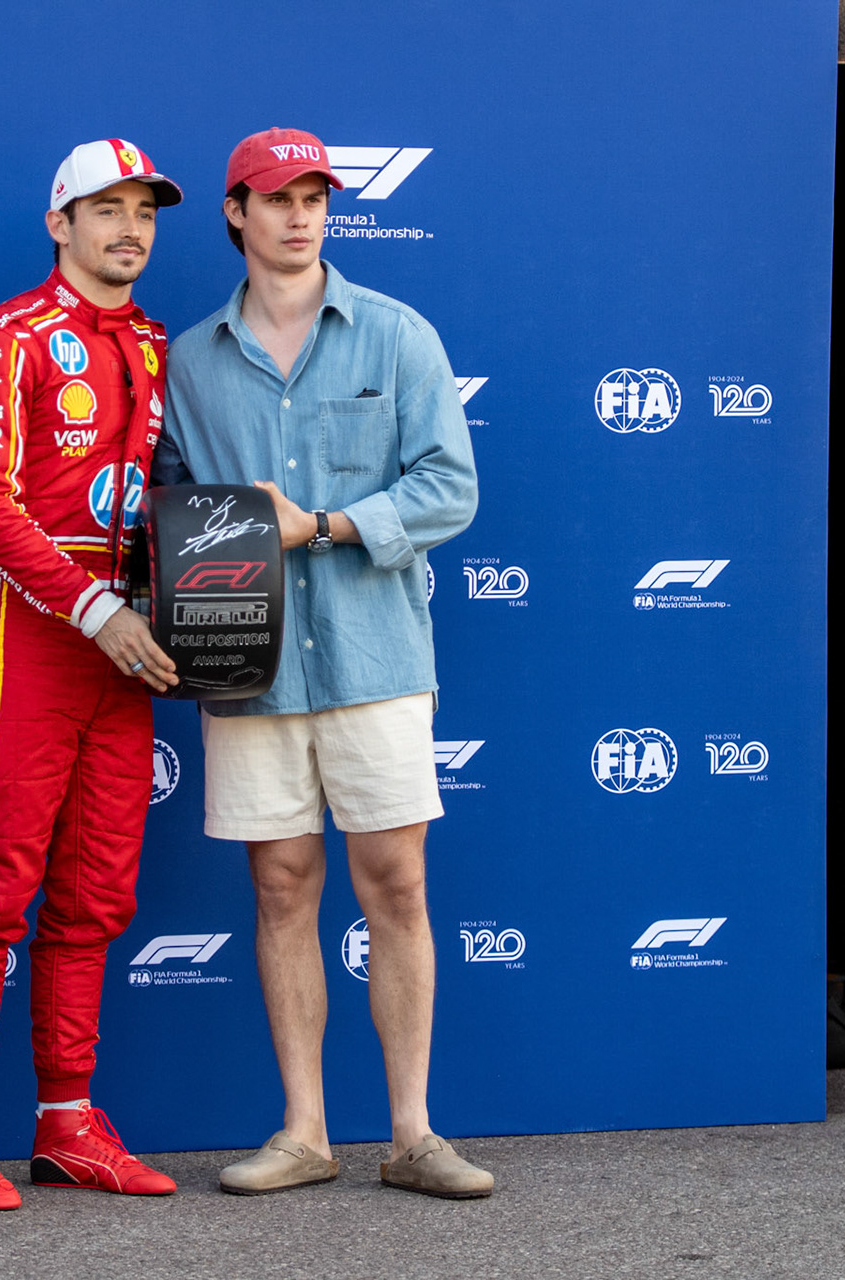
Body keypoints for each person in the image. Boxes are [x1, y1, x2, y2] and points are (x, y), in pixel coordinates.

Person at [155, 127, 490, 1199]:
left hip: (376, 660)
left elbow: (450, 486)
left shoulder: (397, 335)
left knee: (396, 883)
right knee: (282, 885)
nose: (300, 214)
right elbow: (163, 505)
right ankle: (304, 1130)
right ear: (234, 215)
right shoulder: (189, 357)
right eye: (276, 196)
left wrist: (329, 524)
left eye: (316, 196)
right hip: (245, 663)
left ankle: (412, 1130)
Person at [0, 139, 184, 1211]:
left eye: (145, 212)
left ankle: (67, 1117)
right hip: (33, 626)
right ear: (58, 223)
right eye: (105, 208)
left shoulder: (164, 343)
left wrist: (192, 606)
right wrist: (93, 608)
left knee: (99, 890)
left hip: (132, 635)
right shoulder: (4, 338)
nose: (129, 228)